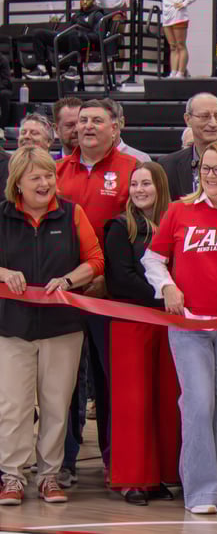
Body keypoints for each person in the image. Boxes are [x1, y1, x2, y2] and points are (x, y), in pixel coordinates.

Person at [141, 140, 217, 515]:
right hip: (188, 325)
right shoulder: (179, 210)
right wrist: (167, 286)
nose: (210, 177)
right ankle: (199, 491)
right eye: (205, 169)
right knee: (197, 405)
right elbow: (153, 257)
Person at [0, 146, 104, 506]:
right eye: (36, 177)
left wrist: (69, 280)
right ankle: (12, 476)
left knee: (57, 405)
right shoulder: (2, 216)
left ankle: (49, 476)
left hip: (63, 328)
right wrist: (3, 273)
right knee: (13, 406)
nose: (45, 183)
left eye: (49, 175)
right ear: (18, 184)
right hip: (10, 328)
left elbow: (95, 260)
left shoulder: (72, 214)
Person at [56, 99, 138, 478]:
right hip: (66, 294)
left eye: (97, 120)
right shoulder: (56, 170)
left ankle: (115, 461)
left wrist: (110, 279)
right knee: (64, 381)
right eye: (83, 120)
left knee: (110, 381)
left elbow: (141, 236)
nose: (87, 126)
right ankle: (64, 461)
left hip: (110, 296)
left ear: (115, 128)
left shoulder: (131, 169)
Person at [103, 161, 179, 506]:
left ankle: (159, 475)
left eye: (146, 183)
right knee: (133, 404)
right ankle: (133, 479)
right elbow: (120, 278)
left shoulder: (174, 224)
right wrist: (164, 295)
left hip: (169, 323)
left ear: (160, 187)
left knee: (165, 401)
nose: (139, 190)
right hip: (130, 323)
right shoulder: (120, 227)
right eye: (134, 184)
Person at [124, 0, 200, 79]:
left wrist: (185, 2)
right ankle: (173, 72)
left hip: (179, 15)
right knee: (172, 46)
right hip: (167, 17)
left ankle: (181, 72)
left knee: (180, 45)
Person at [26, 0, 106, 80]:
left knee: (73, 34)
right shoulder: (76, 16)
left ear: (93, 0)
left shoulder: (98, 15)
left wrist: (83, 35)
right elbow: (68, 31)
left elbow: (98, 36)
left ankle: (73, 69)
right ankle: (41, 69)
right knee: (38, 33)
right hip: (71, 40)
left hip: (85, 43)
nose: (84, 2)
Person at [0, 54, 11, 129]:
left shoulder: (3, 60)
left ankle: (3, 127)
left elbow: (6, 81)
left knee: (4, 94)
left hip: (2, 88)